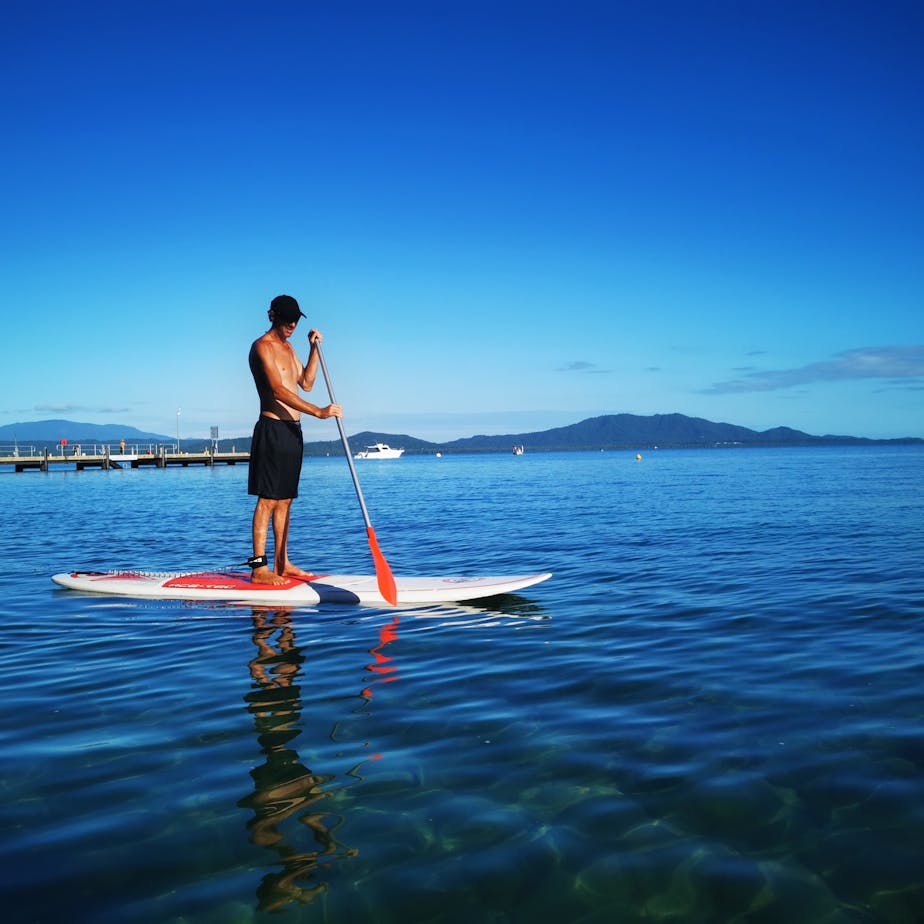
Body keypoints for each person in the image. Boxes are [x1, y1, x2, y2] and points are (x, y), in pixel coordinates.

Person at [247, 295, 342, 585]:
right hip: (272, 430)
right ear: (272, 315)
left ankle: (282, 562)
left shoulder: (289, 348)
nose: (292, 324)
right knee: (267, 500)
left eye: (296, 320)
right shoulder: (261, 347)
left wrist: (313, 349)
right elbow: (277, 390)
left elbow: (307, 383)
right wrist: (318, 412)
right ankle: (259, 567)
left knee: (285, 500)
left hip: (293, 432)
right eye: (287, 318)